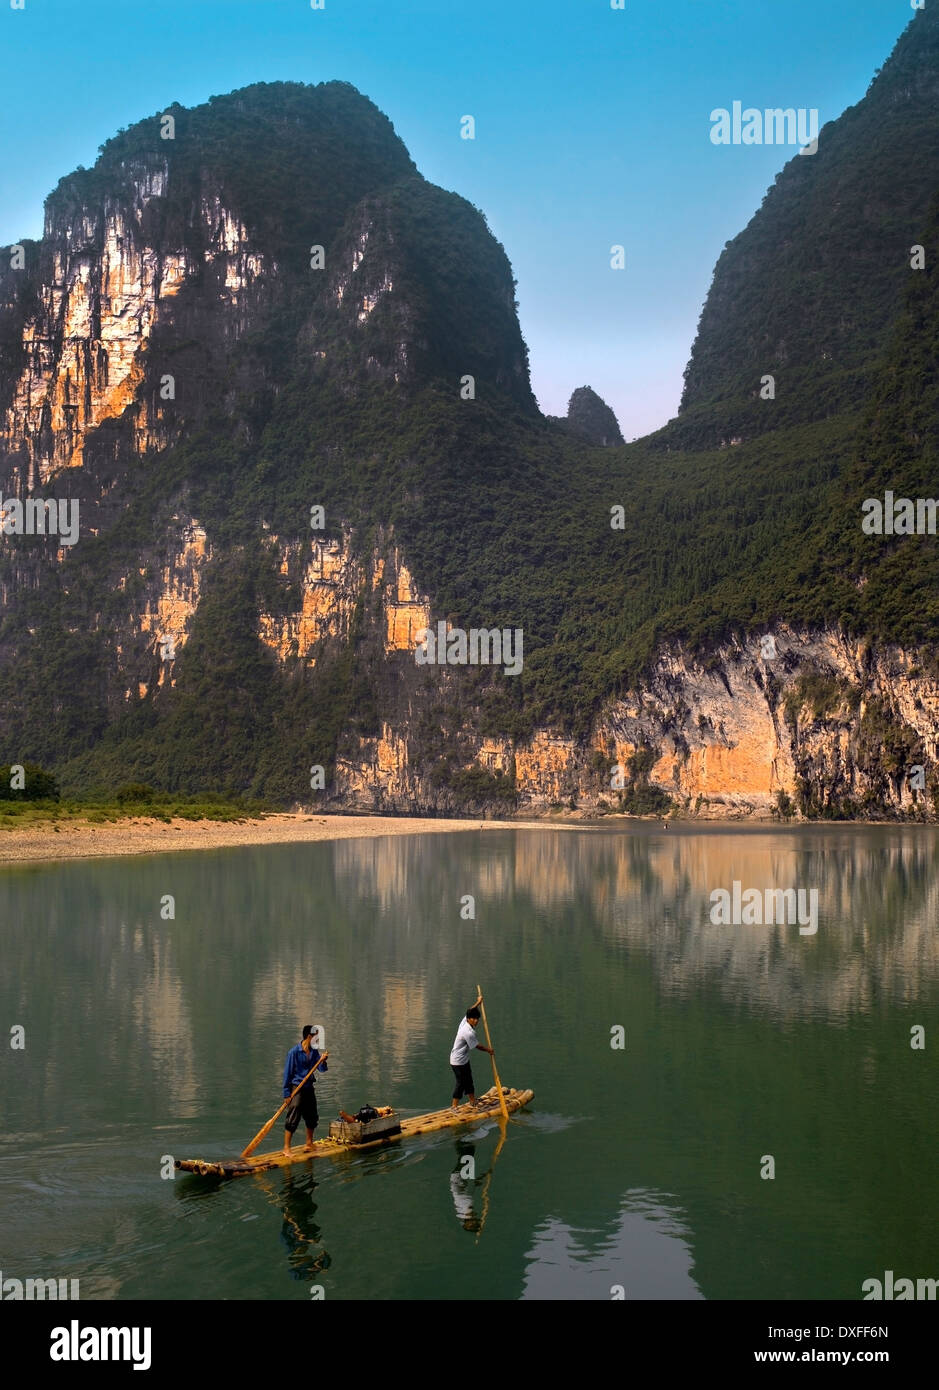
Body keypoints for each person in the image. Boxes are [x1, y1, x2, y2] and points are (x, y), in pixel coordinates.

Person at [283, 1025, 328, 1153]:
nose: (318, 1040)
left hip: (308, 1086)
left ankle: (309, 1143)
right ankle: (286, 1147)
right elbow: (287, 1073)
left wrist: (323, 1061)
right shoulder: (294, 1052)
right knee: (294, 1113)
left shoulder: (313, 1051)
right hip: (297, 1087)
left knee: (312, 1115)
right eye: (316, 1037)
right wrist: (287, 1094)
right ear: (310, 1036)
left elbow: (321, 1069)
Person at [449, 998, 493, 1109]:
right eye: (474, 1019)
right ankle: (454, 1107)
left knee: (469, 1080)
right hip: (457, 1061)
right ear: (469, 1019)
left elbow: (470, 1009)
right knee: (461, 1083)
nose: (476, 1021)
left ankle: (473, 1101)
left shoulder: (465, 1020)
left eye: (477, 1018)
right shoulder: (467, 1032)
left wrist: (478, 1002)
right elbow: (477, 1046)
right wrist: (489, 1050)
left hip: (464, 1060)